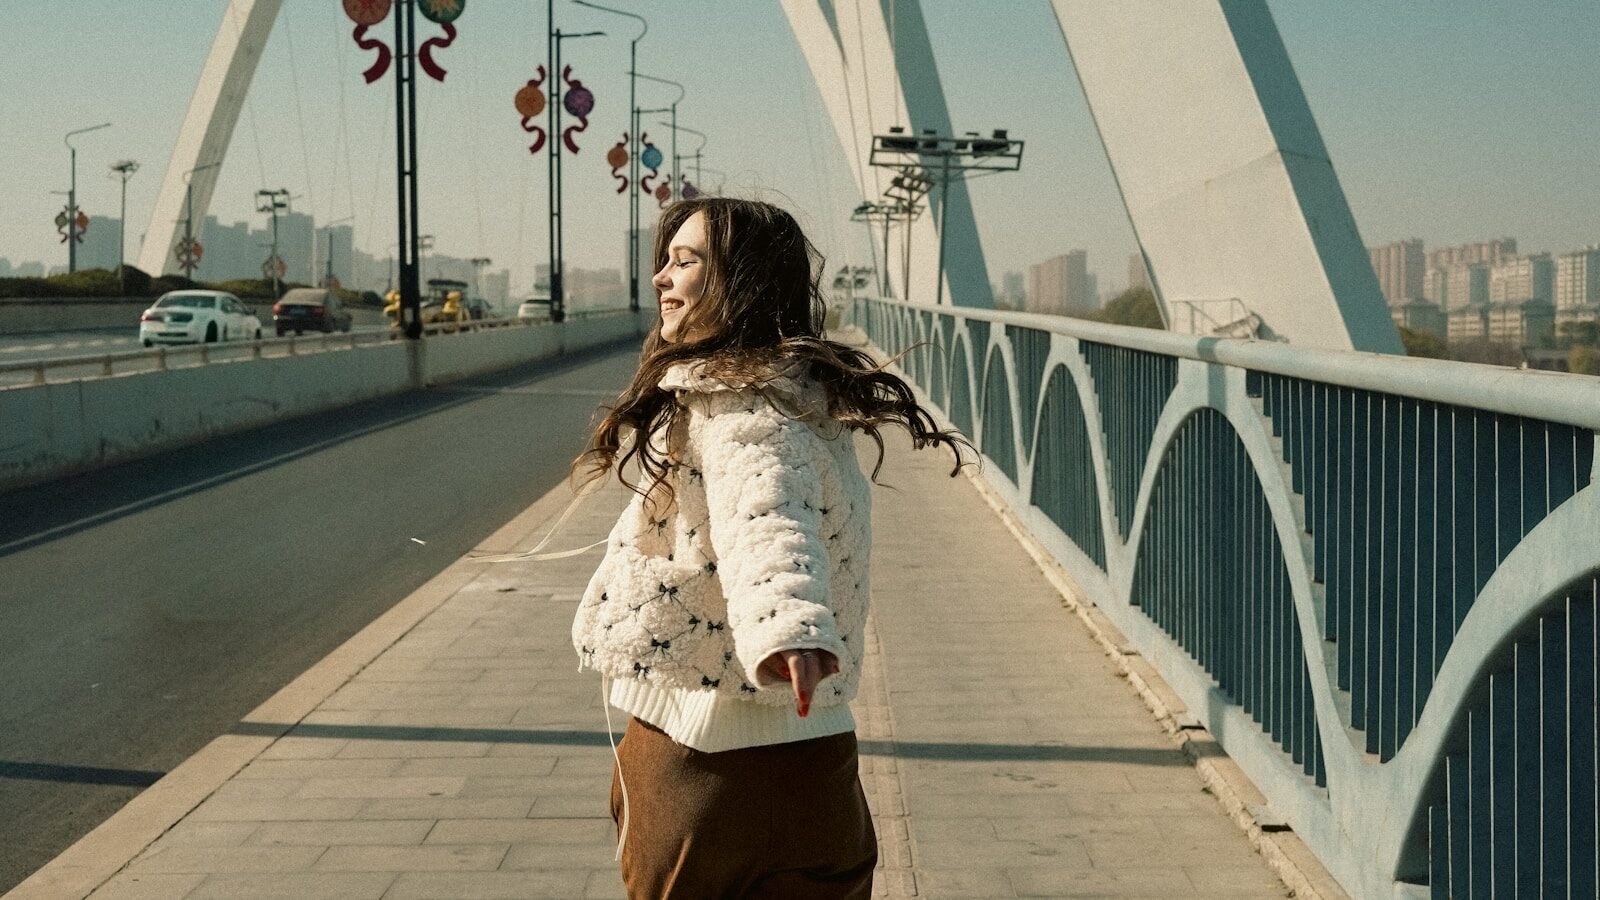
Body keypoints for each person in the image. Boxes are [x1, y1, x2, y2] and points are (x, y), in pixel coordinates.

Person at [570, 197, 969, 897]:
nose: (663, 277)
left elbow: (766, 517)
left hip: (698, 769)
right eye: (663, 260)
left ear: (740, 281)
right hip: (817, 769)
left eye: (685, 261)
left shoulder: (738, 405)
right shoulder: (801, 401)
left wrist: (788, 627)